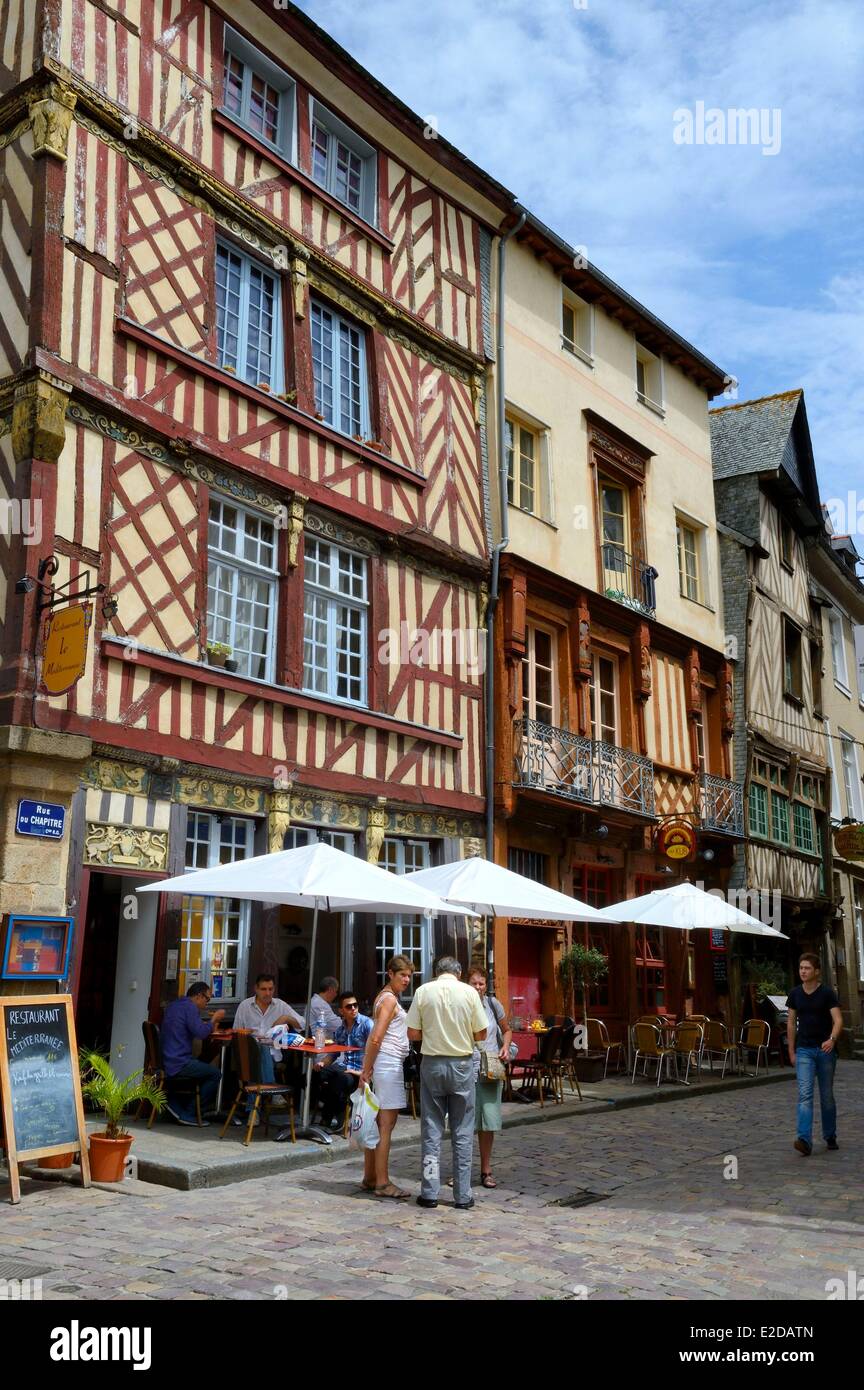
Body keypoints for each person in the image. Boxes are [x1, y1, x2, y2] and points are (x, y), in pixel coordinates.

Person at [406, 956, 488, 1211]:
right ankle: (462, 1195)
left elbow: (412, 1033)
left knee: (431, 1129)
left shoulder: (422, 992)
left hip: (432, 1062)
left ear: (436, 972)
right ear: (459, 973)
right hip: (462, 1064)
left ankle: (429, 1192)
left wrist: (434, 1033)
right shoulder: (469, 993)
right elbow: (481, 1033)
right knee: (463, 1131)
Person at [358, 956, 413, 1199]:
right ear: (390, 973)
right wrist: (365, 1071)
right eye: (402, 975)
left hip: (385, 1062)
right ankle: (382, 1182)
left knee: (376, 1122)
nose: (407, 980)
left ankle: (370, 1176)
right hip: (388, 1064)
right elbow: (377, 1037)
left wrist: (367, 1068)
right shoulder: (389, 999)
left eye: (410, 976)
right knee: (386, 1125)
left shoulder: (384, 997)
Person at [787, 952, 843, 1155]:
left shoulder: (827, 993)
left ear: (816, 972)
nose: (803, 971)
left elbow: (838, 1020)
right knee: (805, 1095)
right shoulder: (795, 994)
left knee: (826, 1095)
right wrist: (791, 1050)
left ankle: (830, 1135)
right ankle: (804, 1140)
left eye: (807, 968)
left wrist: (832, 1039)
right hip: (804, 1050)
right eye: (801, 968)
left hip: (825, 1050)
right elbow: (791, 1023)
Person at [233, 974, 304, 1123]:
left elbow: (302, 1024)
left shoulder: (280, 1005)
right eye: (264, 989)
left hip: (275, 1052)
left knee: (262, 1051)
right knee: (258, 1051)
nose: (267, 993)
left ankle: (253, 1112)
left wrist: (286, 1018)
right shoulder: (245, 1006)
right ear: (256, 989)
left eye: (270, 989)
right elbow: (236, 1032)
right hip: (249, 1052)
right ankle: (273, 1091)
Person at [468, 967, 512, 1189]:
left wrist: (505, 1046)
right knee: (464, 1122)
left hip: (490, 1068)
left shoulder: (493, 1005)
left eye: (481, 983)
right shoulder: (462, 1005)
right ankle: (462, 1169)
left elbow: (506, 1029)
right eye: (474, 983)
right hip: (466, 1067)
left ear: (487, 985)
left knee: (488, 1122)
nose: (478, 987)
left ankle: (486, 1170)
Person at [160, 982, 226, 1125]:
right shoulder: (190, 1007)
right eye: (207, 999)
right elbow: (201, 1033)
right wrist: (214, 1019)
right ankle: (189, 1113)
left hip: (168, 1058)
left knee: (203, 1064)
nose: (207, 1003)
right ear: (198, 996)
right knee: (215, 1074)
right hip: (178, 1062)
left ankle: (174, 1102)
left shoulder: (175, 1005)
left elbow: (195, 1028)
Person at [314, 992, 372, 1129]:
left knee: (339, 1080)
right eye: (349, 1006)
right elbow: (334, 1053)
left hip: (359, 1071)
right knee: (315, 1075)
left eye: (355, 1005)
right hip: (344, 1067)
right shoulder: (341, 1029)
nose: (353, 1008)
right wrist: (323, 1063)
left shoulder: (366, 1024)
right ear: (341, 1011)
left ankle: (328, 1117)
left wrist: (362, 1072)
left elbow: (376, 1051)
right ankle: (333, 1111)